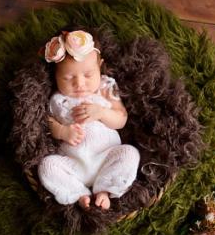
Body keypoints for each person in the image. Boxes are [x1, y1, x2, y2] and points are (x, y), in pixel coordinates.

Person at [37, 29, 140, 210]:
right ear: (55, 76)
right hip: (73, 164)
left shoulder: (106, 88)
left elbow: (121, 119)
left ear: (100, 66)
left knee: (130, 153)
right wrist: (62, 131)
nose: (79, 84)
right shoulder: (57, 99)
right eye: (68, 78)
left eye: (88, 75)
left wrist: (101, 113)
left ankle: (104, 190)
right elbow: (47, 122)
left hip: (107, 156)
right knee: (47, 166)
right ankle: (79, 193)